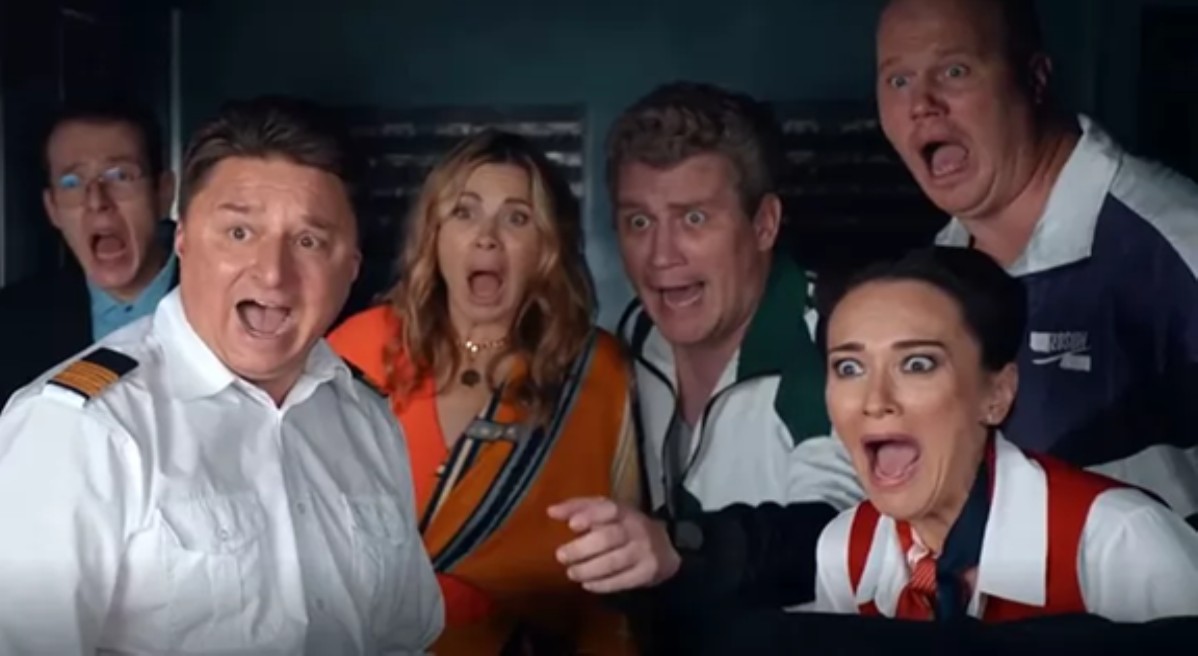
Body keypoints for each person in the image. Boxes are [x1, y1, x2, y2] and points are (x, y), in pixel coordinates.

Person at [0, 96, 443, 654]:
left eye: (309, 241)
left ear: (351, 265)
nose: (273, 273)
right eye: (239, 233)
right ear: (183, 240)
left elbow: (404, 638)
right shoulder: (79, 427)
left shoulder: (366, 417)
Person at [549, 82, 863, 643]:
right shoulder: (634, 335)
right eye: (639, 222)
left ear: (763, 224)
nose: (662, 255)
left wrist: (682, 548)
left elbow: (843, 536)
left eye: (693, 218)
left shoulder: (840, 340)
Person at [875, 0, 1198, 524]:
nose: (921, 105)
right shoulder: (925, 284)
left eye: (954, 71)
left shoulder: (1174, 240)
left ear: (1035, 78)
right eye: (898, 80)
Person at [328, 129, 641, 655]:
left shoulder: (597, 372)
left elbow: (620, 577)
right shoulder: (355, 350)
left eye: (517, 218)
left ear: (547, 247)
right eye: (464, 213)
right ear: (434, 235)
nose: (487, 238)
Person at [813, 246, 1198, 622]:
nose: (875, 401)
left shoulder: (1121, 544)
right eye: (849, 368)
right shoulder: (843, 550)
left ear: (997, 394)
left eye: (917, 364)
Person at [0, 98, 179, 405]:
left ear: (163, 193)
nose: (96, 200)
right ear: (52, 208)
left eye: (120, 176)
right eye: (72, 182)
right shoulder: (10, 325)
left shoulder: (226, 303)